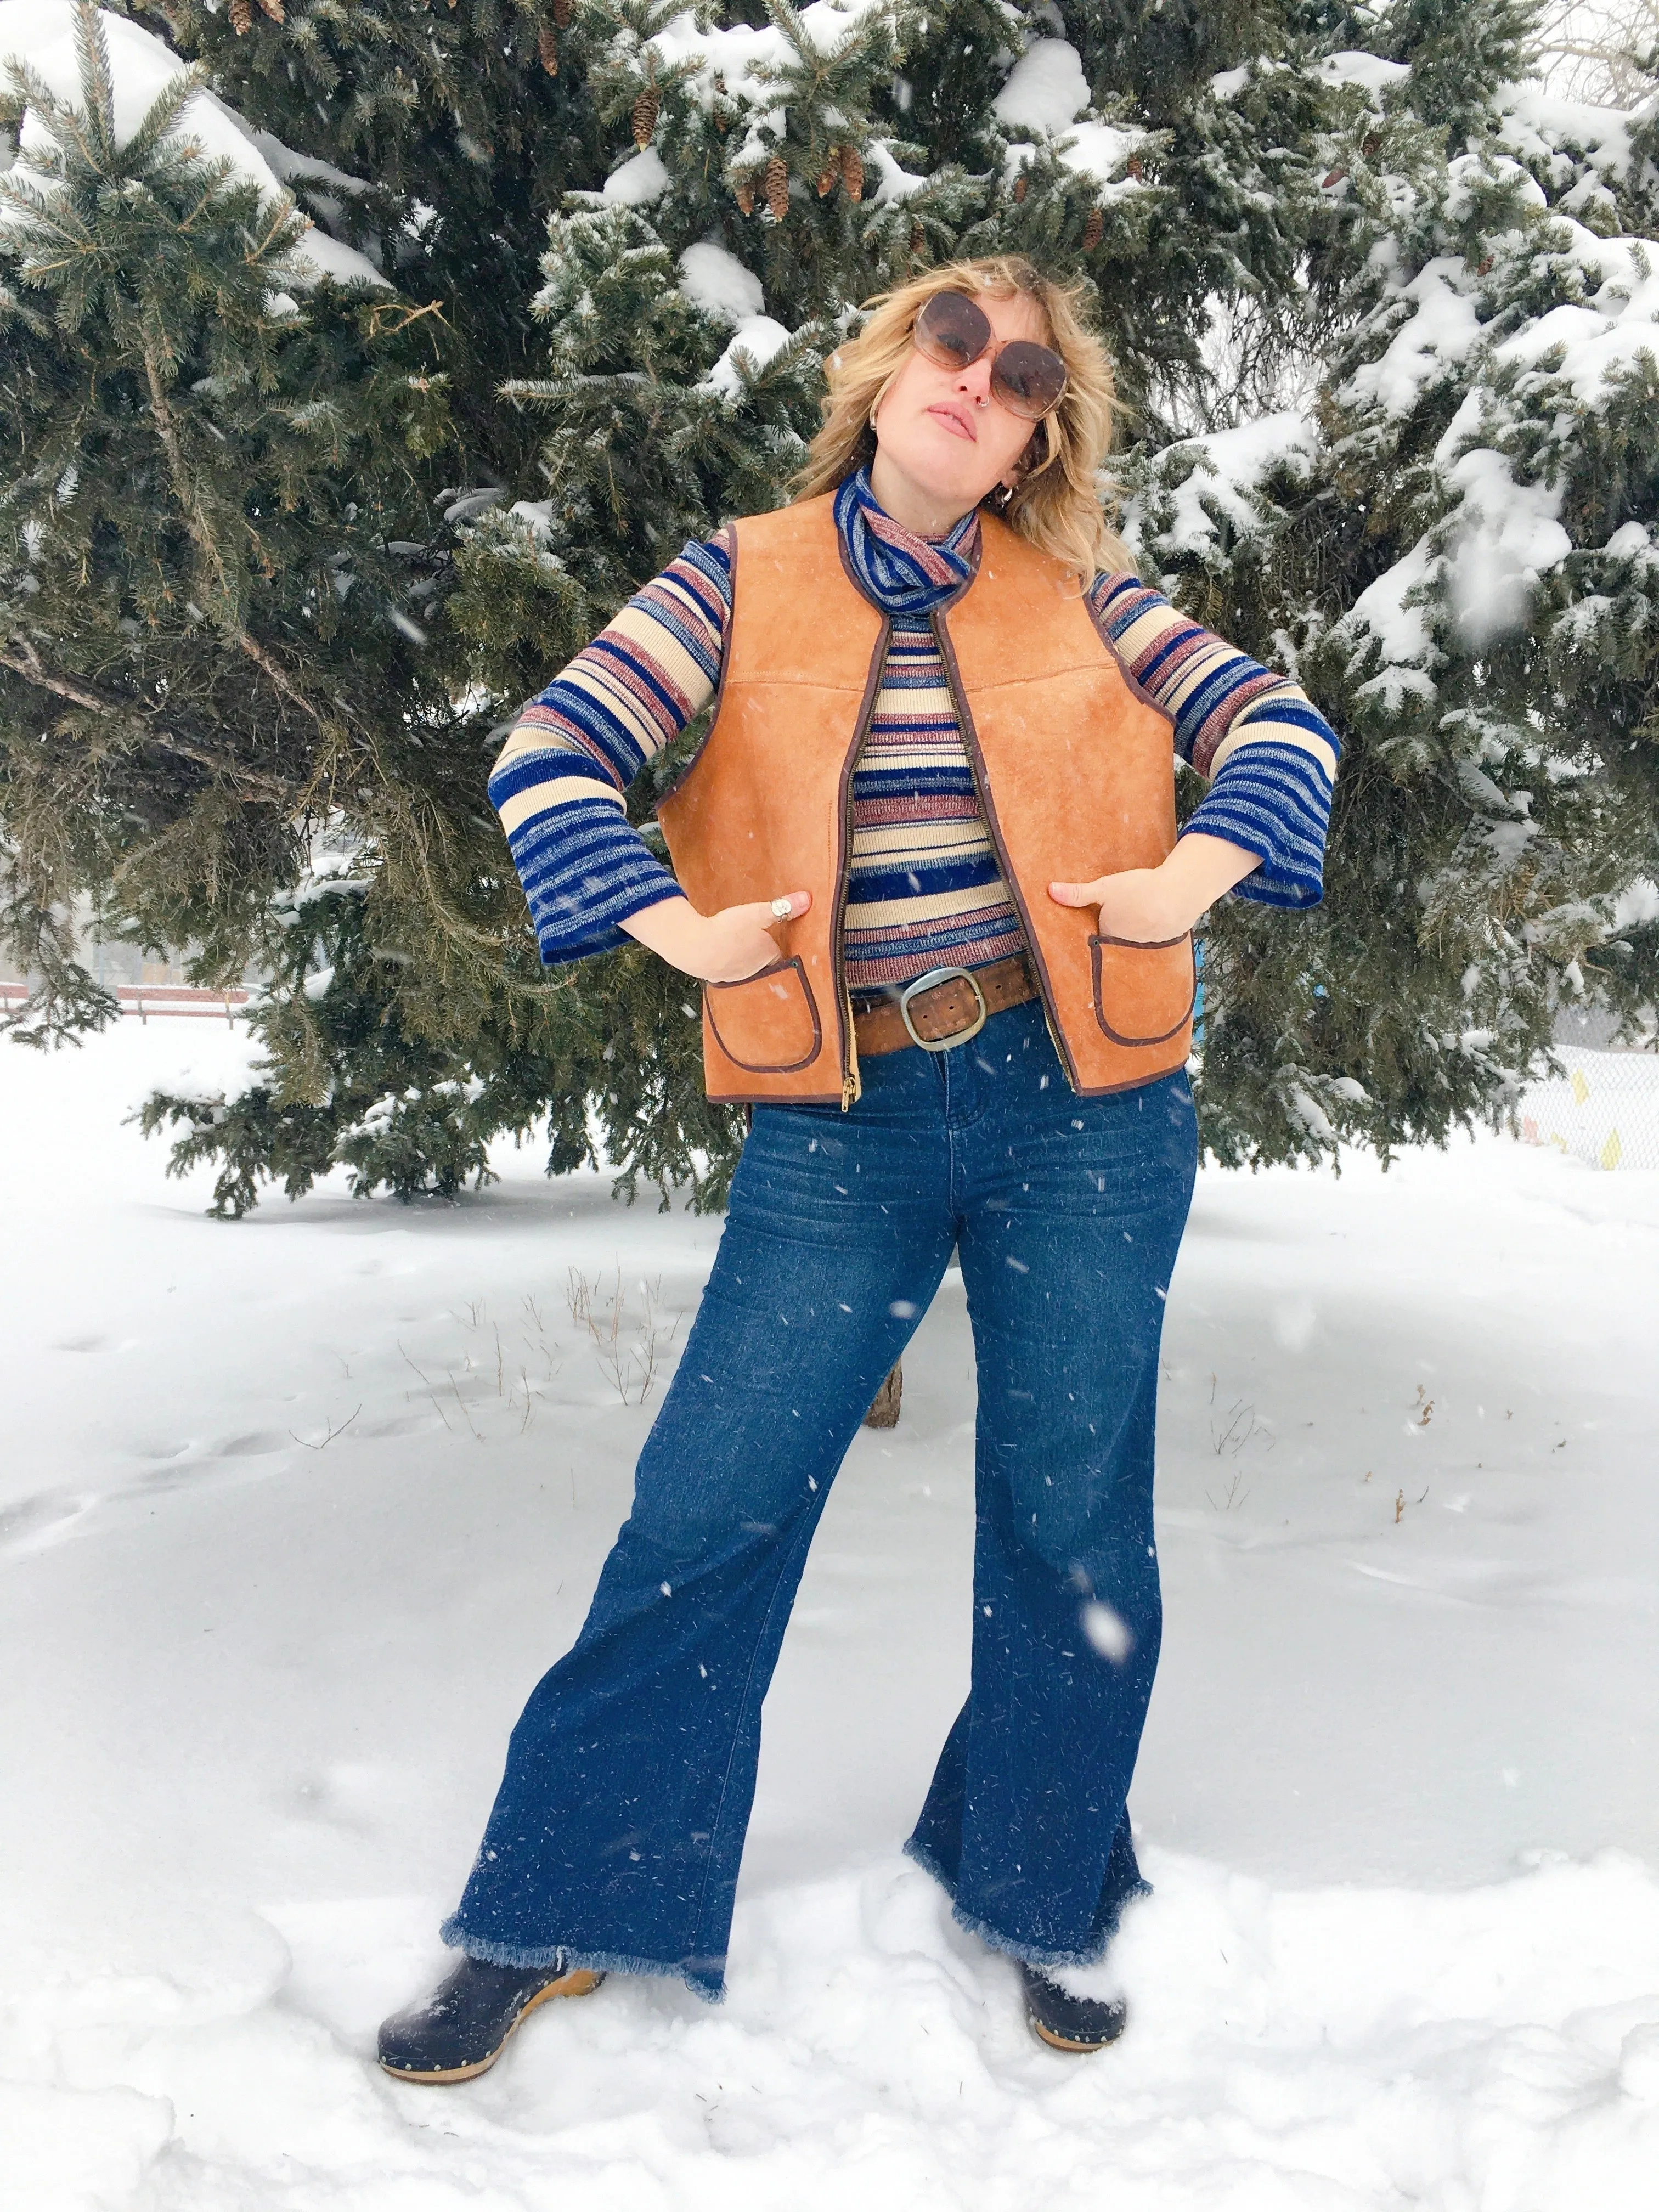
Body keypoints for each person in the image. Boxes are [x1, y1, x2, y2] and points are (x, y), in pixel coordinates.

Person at [377, 255, 1339, 2079]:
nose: (983, 377)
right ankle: (562, 1899)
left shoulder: (1090, 600)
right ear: (893, 365)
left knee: (1072, 1516)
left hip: (1088, 1108)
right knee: (709, 1500)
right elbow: (552, 751)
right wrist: (684, 935)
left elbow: (1279, 729)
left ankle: (1047, 1889)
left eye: (1028, 371)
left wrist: (1181, 885)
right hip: (841, 1118)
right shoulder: (734, 579)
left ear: (1042, 435)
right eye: (955, 339)